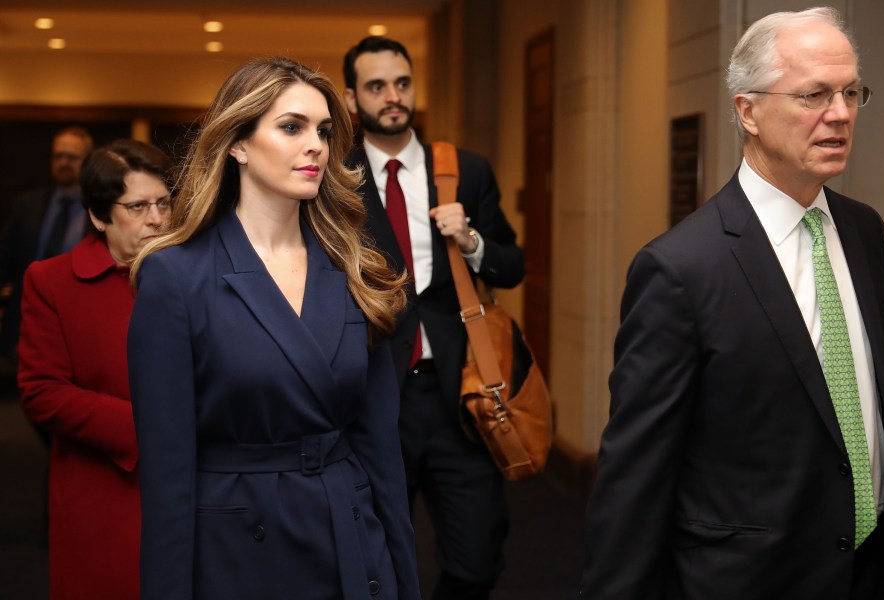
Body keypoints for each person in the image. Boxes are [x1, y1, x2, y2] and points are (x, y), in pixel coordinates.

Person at [582, 7, 884, 599]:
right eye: (813, 95)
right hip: (752, 580)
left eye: (850, 92)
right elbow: (637, 478)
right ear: (747, 111)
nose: (839, 114)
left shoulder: (864, 231)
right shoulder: (680, 269)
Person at [127, 57, 420, 600]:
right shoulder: (176, 276)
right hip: (240, 551)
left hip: (350, 537)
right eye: (292, 127)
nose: (316, 145)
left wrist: (404, 577)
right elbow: (167, 480)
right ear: (237, 143)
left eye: (325, 131)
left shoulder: (357, 266)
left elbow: (381, 448)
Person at [343, 36, 525, 599]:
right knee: (371, 557)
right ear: (352, 100)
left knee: (476, 559)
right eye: (376, 86)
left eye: (402, 83)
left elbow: (512, 264)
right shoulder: (334, 178)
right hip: (371, 393)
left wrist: (470, 240)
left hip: (458, 396)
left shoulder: (464, 170)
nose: (393, 97)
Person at [18, 138, 173, 600]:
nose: (158, 219)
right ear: (99, 215)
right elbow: (42, 392)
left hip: (193, 481)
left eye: (164, 202)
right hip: (103, 489)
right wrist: (151, 428)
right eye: (139, 205)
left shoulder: (190, 273)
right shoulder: (52, 281)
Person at [0, 126, 94, 362]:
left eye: (71, 157)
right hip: (24, 326)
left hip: (78, 327)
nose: (63, 162)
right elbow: (5, 259)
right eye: (58, 156)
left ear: (87, 160)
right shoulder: (28, 204)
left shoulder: (99, 209)